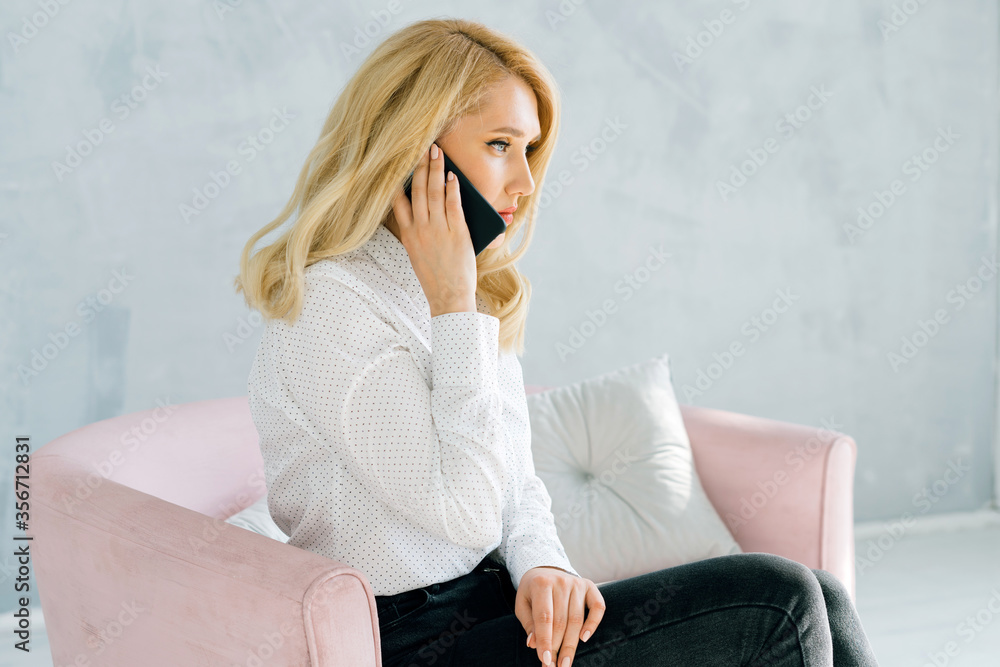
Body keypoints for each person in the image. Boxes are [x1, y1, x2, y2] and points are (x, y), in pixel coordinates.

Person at [235, 17, 881, 667]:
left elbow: (514, 479)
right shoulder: (328, 304)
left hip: (492, 604)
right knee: (779, 598)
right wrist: (454, 307)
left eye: (529, 150)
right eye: (499, 145)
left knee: (821, 593)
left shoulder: (467, 289)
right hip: (403, 640)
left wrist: (543, 564)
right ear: (413, 146)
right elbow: (466, 511)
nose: (524, 181)